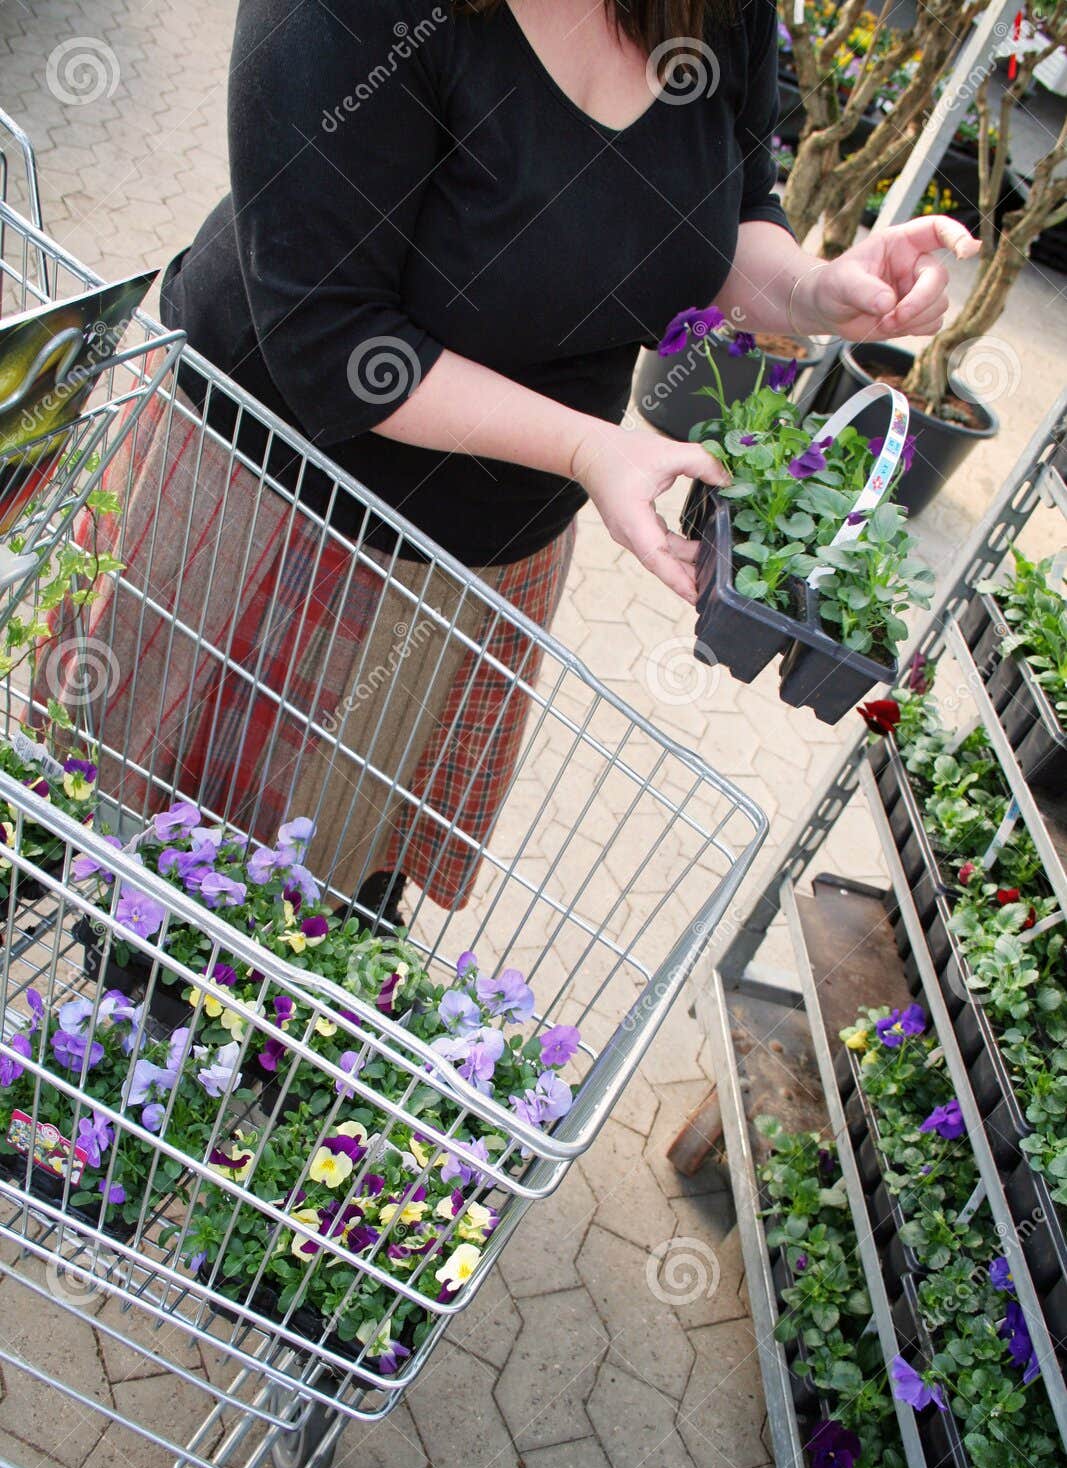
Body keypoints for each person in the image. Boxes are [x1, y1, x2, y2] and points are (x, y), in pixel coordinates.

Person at [92, 0, 980, 925]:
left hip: (487, 557)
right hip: (275, 513)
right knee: (156, 884)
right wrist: (586, 446)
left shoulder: (714, 12)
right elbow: (328, 336)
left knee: (333, 901)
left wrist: (812, 291)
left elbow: (729, 210)